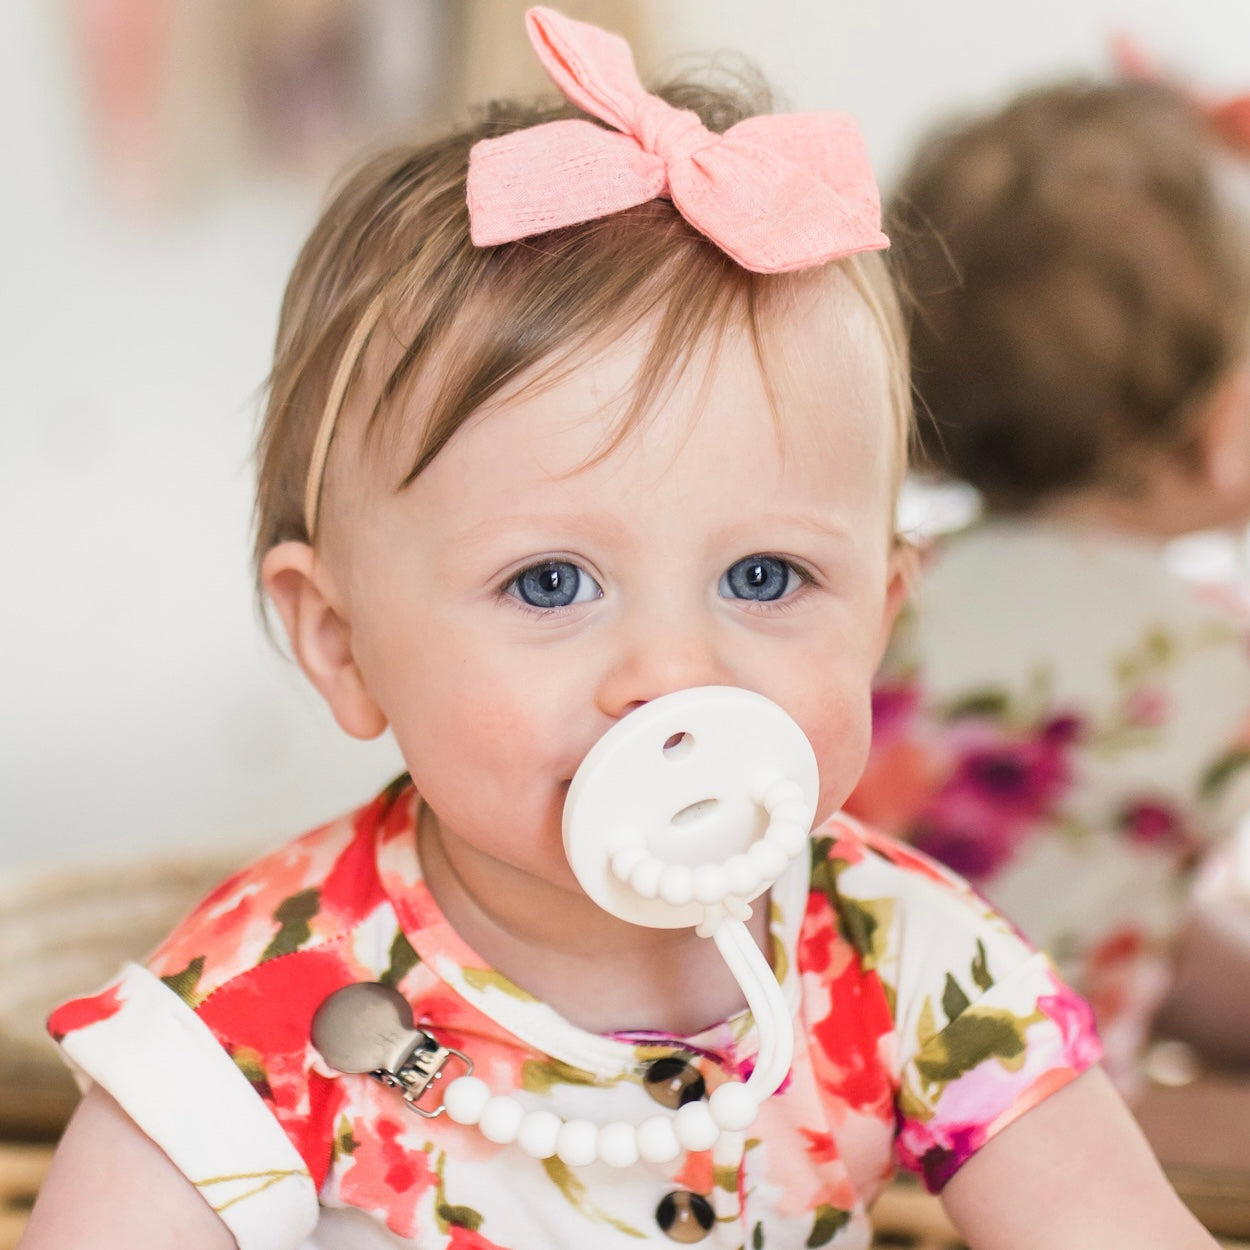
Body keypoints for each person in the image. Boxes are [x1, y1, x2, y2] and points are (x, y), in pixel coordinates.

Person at [21, 12, 1217, 1249]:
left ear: (879, 619)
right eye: (549, 583)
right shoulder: (280, 989)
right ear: (341, 642)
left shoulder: (900, 952)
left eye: (763, 575)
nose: (671, 673)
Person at [846, 77, 1250, 1093]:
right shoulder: (1204, 654)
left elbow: (1093, 884)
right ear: (1213, 422)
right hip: (1037, 1156)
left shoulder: (880, 588)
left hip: (830, 1117)